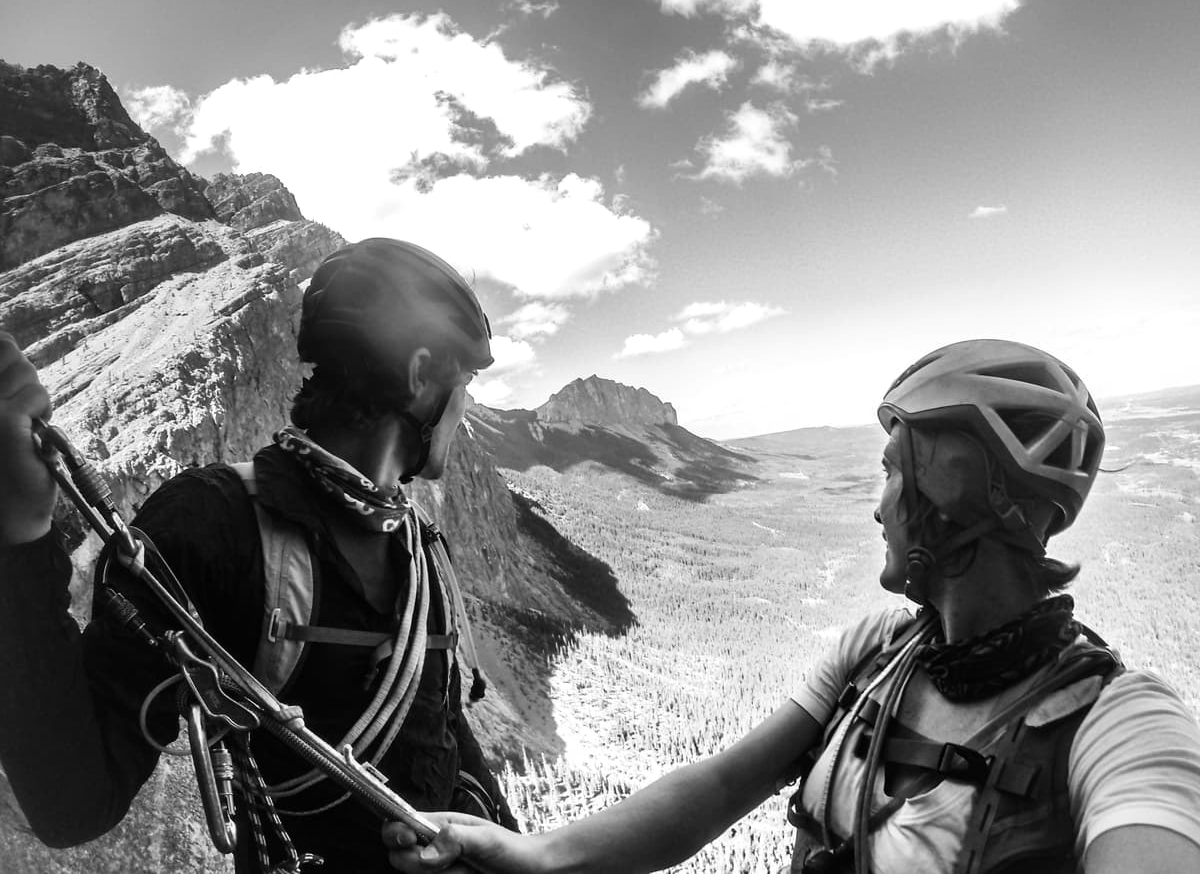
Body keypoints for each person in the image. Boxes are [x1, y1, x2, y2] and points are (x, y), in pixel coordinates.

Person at [380, 339, 1200, 874]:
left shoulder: (1122, 727)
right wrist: (538, 854)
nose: (879, 506)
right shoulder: (879, 652)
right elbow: (721, 784)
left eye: (891, 472)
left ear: (952, 494)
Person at [0, 238, 517, 873]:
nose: (461, 413)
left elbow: (442, 730)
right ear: (418, 376)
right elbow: (72, 802)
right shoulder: (212, 526)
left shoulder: (416, 545)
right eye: (461, 385)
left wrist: (515, 851)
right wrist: (21, 533)